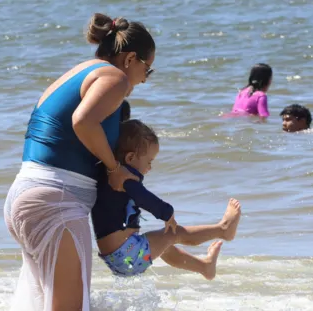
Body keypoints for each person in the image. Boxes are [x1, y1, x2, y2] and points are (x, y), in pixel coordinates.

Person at [0, 13, 155, 311]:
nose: (144, 79)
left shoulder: (80, 70)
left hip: (28, 195)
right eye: (148, 69)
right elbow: (82, 121)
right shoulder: (113, 77)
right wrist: (115, 170)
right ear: (130, 59)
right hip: (56, 201)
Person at [93, 120, 241, 280]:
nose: (150, 168)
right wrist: (166, 212)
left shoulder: (104, 172)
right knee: (173, 233)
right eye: (149, 162)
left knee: (165, 246)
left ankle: (204, 267)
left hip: (117, 259)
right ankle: (223, 230)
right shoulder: (124, 177)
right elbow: (144, 198)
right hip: (128, 254)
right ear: (130, 158)